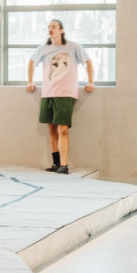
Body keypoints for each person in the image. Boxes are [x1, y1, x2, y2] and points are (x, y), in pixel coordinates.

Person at [25, 19, 94, 175]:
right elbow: (31, 62)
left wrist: (91, 82)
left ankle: (64, 165)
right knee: (51, 129)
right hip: (48, 93)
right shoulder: (44, 49)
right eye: (49, 27)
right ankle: (56, 163)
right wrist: (30, 81)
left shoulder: (73, 47)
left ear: (61, 30)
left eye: (54, 27)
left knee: (62, 129)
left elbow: (88, 62)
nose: (50, 29)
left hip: (65, 93)